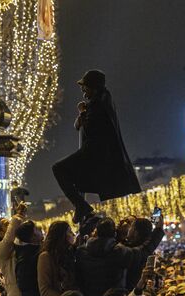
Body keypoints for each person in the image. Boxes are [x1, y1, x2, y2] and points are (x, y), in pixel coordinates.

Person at [52, 69, 141, 223]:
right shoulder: (103, 100)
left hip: (95, 153)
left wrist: (82, 111)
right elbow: (79, 126)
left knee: (58, 169)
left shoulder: (98, 103)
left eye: (85, 86)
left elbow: (89, 127)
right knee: (74, 177)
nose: (82, 90)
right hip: (98, 153)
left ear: (93, 87)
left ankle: (81, 206)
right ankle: (82, 207)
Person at [37, 221, 77, 296]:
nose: (73, 234)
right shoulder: (46, 257)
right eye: (69, 231)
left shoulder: (73, 253)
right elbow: (45, 290)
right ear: (61, 235)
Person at [0, 203, 27, 296]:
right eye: (6, 224)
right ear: (0, 234)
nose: (11, 225)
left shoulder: (20, 244)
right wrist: (18, 216)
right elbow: (9, 239)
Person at [14, 221, 44, 296]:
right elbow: (24, 284)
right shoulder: (28, 256)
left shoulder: (33, 251)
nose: (40, 230)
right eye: (36, 229)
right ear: (32, 236)